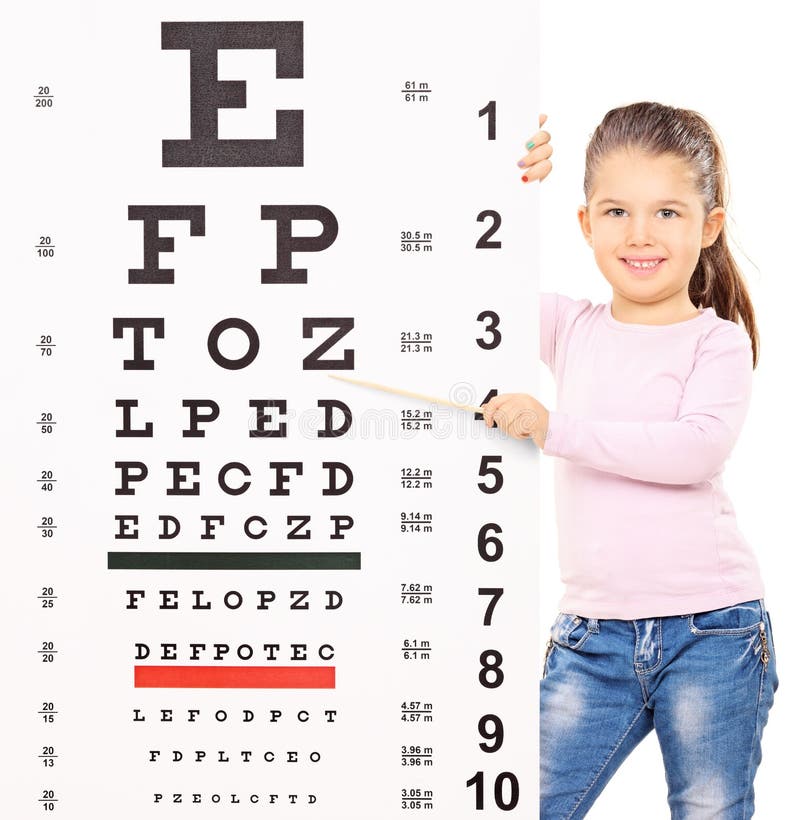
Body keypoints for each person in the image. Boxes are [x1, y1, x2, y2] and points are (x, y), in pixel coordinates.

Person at [480, 102, 779, 819]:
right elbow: (472, 285)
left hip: (714, 632)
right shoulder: (566, 326)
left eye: (668, 213)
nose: (640, 235)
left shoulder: (718, 344)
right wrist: (505, 180)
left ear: (708, 227)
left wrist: (558, 427)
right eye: (615, 211)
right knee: (525, 803)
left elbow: (694, 449)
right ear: (585, 223)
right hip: (591, 642)